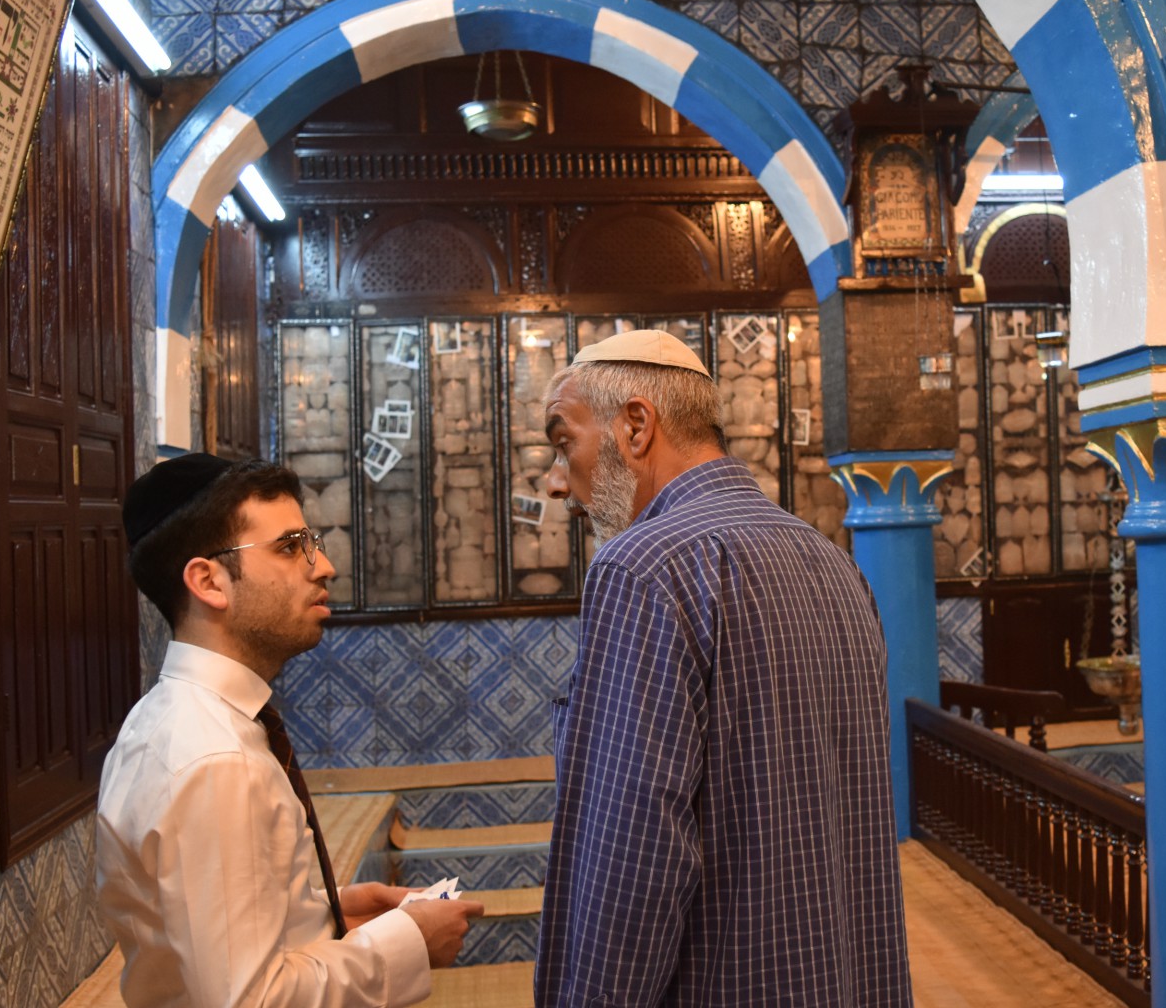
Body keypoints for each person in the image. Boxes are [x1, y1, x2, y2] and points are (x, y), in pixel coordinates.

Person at [534, 330, 913, 1007]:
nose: (559, 482)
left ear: (636, 424)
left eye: (564, 442)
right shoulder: (832, 564)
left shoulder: (644, 568)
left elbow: (634, 853)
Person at [97, 454, 483, 1007]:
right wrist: (409, 941)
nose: (323, 565)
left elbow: (208, 932)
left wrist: (327, 909)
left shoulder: (179, 718)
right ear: (209, 581)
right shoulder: (215, 761)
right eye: (289, 547)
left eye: (313, 542)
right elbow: (254, 1000)